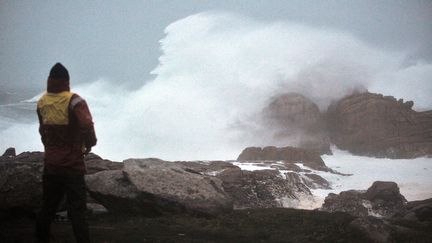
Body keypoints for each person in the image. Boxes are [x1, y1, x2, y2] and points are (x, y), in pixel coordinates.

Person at [35, 63, 97, 243]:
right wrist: (90, 143)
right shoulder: (75, 101)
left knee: (47, 205)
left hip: (51, 164)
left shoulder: (42, 102)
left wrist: (50, 148)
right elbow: (86, 124)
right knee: (77, 209)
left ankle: (41, 237)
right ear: (67, 82)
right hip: (72, 165)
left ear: (50, 81)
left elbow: (42, 131)